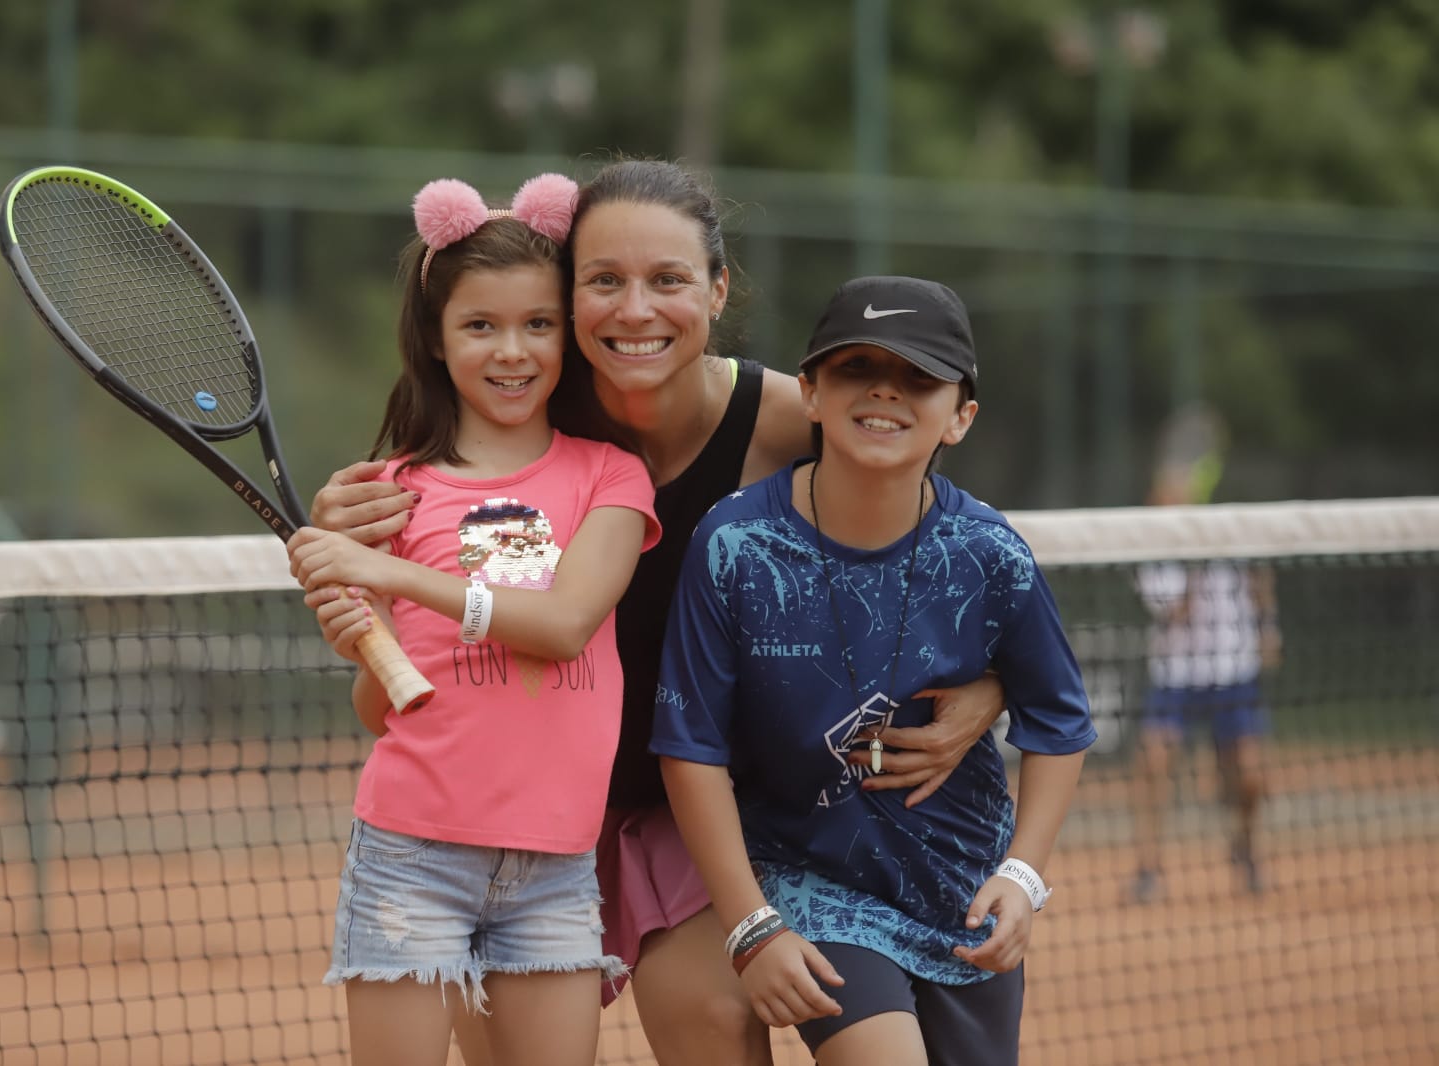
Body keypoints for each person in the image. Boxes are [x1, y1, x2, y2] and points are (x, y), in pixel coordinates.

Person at [309, 160, 1010, 1066]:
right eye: (603, 282)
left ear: (718, 290)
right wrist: (357, 558)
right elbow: (420, 665)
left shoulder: (795, 420)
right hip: (533, 812)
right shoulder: (510, 424)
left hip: (726, 808)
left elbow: (968, 557)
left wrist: (993, 684)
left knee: (717, 1012)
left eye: (668, 280)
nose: (635, 311)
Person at [652, 275, 1097, 1066]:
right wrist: (755, 924)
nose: (886, 389)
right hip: (810, 882)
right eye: (856, 367)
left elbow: (1058, 720)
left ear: (960, 417)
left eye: (920, 377)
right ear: (812, 393)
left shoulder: (989, 555)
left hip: (960, 893)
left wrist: (1024, 875)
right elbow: (691, 747)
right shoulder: (735, 546)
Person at [286, 172, 661, 1066]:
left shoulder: (612, 475)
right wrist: (364, 650)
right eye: (480, 326)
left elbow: (567, 624)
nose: (512, 352)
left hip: (556, 865)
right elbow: (384, 714)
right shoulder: (385, 497)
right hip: (412, 857)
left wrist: (391, 578)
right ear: (437, 338)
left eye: (537, 324)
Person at [1127, 443, 1281, 903]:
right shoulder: (1145, 552)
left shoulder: (1223, 530)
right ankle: (1148, 869)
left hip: (1234, 668)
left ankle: (1246, 849)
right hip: (1176, 676)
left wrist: (1269, 626)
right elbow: (1175, 612)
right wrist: (1195, 559)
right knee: (1154, 761)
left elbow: (1260, 575)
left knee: (1252, 777)